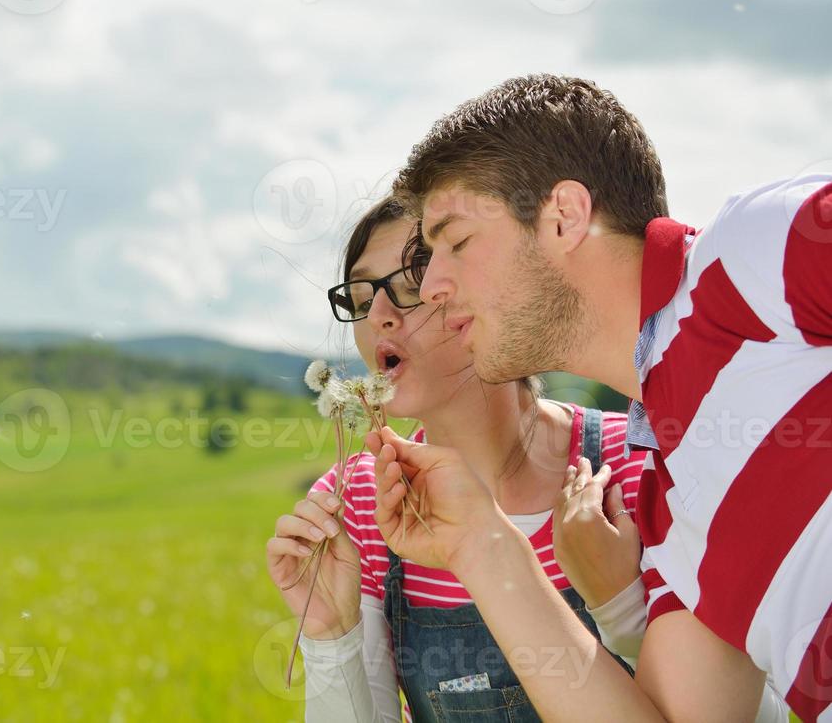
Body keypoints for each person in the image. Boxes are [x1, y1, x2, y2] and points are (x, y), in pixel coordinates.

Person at [369, 73, 825, 721]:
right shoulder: (666, 511)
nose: (433, 286)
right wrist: (479, 541)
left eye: (457, 243)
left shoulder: (747, 256)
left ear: (563, 218)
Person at [267, 195, 659, 721]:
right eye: (361, 298)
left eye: (410, 286)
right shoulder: (359, 503)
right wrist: (332, 637)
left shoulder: (635, 465)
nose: (379, 317)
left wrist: (623, 607)